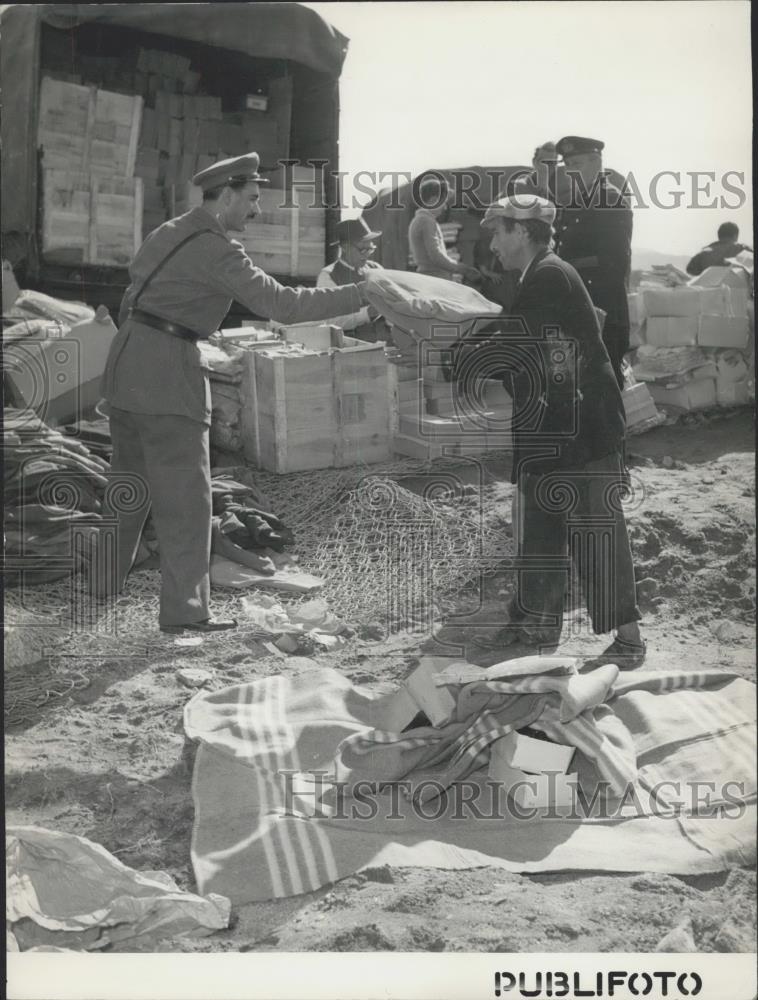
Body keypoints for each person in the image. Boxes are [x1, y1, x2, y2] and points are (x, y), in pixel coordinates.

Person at [99, 152, 371, 634]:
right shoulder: (218, 249)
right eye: (250, 199)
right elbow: (282, 304)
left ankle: (101, 585)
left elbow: (132, 292)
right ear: (224, 197)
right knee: (187, 499)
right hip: (167, 369)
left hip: (127, 363)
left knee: (129, 484)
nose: (256, 210)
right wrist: (362, 293)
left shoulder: (169, 230)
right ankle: (185, 613)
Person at [474, 194, 645, 667]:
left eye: (497, 232)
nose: (492, 244)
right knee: (541, 528)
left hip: (580, 427)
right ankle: (534, 625)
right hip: (554, 425)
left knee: (597, 530)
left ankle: (629, 640)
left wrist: (481, 361)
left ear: (522, 232)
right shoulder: (539, 274)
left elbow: (546, 353)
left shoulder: (549, 275)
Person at [547, 136, 633, 390]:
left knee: (603, 380)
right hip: (577, 302)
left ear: (597, 163)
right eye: (569, 165)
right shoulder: (574, 204)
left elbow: (613, 262)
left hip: (601, 303)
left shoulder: (611, 200)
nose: (572, 171)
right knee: (578, 383)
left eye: (578, 163)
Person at [315, 217, 386, 342]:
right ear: (345, 247)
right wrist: (367, 314)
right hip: (351, 346)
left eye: (370, 249)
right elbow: (330, 321)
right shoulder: (328, 275)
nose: (367, 254)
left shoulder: (376, 268)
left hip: (384, 341)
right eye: (362, 250)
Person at [407, 177, 480, 283]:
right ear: (433, 200)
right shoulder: (427, 221)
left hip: (429, 278)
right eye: (444, 202)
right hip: (435, 279)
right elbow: (436, 256)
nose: (445, 208)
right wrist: (463, 269)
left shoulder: (419, 220)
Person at [686, 222, 752, 276]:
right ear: (735, 236)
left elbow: (690, 275)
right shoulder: (742, 250)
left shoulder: (702, 253)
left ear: (719, 235)